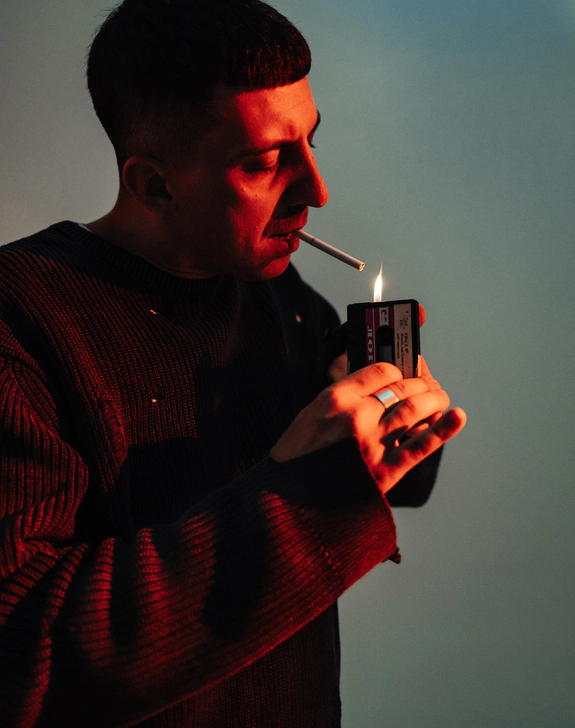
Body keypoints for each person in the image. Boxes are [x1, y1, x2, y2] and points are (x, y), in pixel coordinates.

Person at [0, 0, 466, 725]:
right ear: (156, 185)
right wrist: (303, 490)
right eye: (265, 163)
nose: (316, 191)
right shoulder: (20, 319)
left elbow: (383, 487)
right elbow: (24, 652)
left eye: (312, 140)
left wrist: (384, 424)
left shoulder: (281, 296)